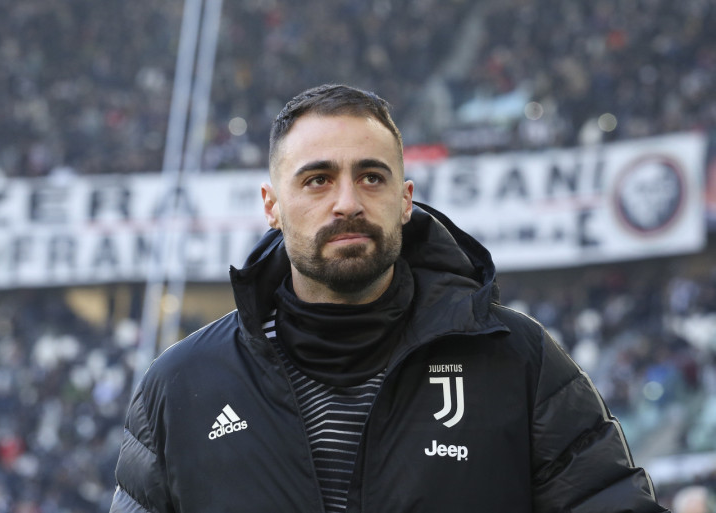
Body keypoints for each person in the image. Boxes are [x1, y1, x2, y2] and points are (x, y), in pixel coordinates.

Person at [110, 84, 669, 512]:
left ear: (405, 201)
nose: (347, 202)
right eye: (317, 179)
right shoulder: (179, 386)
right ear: (271, 205)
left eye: (371, 177)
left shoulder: (518, 359)